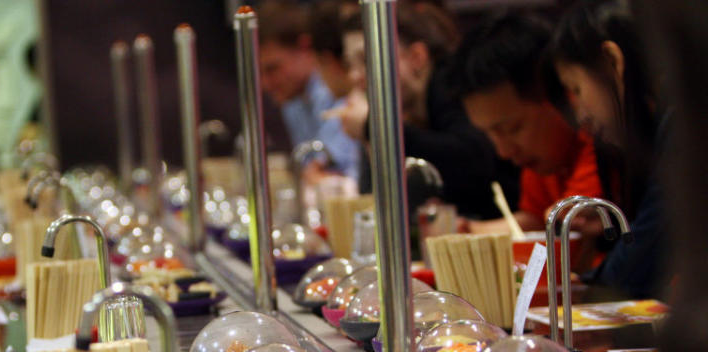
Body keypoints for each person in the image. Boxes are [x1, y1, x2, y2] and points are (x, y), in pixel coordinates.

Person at [335, 2, 518, 217]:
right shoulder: (408, 108)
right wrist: (372, 135)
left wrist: (377, 128)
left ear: (417, 57)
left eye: (367, 61)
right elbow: (377, 199)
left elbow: (474, 161)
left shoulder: (452, 82)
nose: (354, 76)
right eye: (349, 64)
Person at [550, 0, 666, 298]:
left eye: (577, 89)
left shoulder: (684, 127)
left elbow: (639, 266)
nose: (580, 117)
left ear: (612, 61)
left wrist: (583, 288)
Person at [449, 12, 605, 233]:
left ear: (563, 93)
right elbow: (536, 219)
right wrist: (469, 230)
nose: (503, 151)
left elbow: (567, 222)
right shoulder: (545, 159)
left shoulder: (601, 144)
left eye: (512, 128)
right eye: (489, 134)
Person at [257, 0, 360, 183]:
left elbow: (338, 173)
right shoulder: (292, 102)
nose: (265, 84)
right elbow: (309, 170)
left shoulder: (336, 88)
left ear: (305, 47)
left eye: (273, 69)